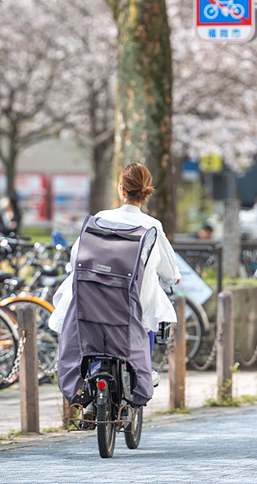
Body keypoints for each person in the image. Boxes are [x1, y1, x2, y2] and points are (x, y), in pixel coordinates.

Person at [49, 162, 180, 387]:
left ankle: (88, 391)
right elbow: (169, 272)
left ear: (121, 189)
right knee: (148, 316)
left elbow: (75, 259)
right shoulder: (152, 226)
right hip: (132, 305)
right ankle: (143, 370)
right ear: (145, 192)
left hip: (93, 302)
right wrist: (170, 279)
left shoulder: (99, 220)